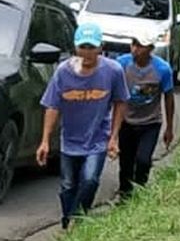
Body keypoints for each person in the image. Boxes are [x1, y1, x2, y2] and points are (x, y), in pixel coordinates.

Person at [36, 22, 129, 230]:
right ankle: (67, 220)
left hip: (98, 137)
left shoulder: (113, 70)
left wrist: (114, 137)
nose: (87, 53)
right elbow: (52, 105)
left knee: (90, 180)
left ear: (101, 48)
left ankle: (78, 219)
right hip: (70, 139)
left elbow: (121, 102)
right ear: (75, 47)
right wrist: (45, 141)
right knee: (68, 184)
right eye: (83, 47)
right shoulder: (63, 72)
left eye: (92, 47)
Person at [115, 29, 175, 199]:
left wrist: (169, 127)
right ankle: (125, 195)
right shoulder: (121, 65)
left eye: (140, 46)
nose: (135, 49)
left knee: (143, 160)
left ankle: (140, 191)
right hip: (127, 121)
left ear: (150, 48)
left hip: (150, 122)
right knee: (126, 161)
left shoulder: (162, 69)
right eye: (134, 44)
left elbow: (169, 97)